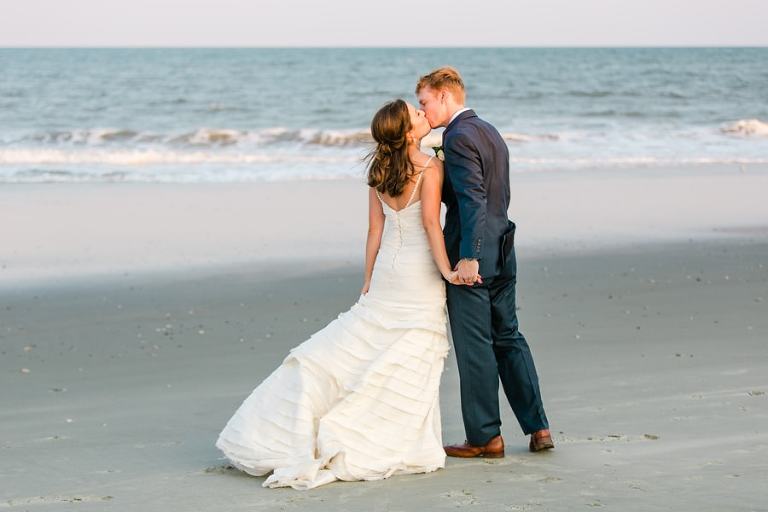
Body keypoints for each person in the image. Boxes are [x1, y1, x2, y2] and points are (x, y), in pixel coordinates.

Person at [215, 99, 465, 490]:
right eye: (415, 114)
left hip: (386, 272)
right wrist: (448, 269)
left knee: (365, 339)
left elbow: (374, 231)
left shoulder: (378, 169)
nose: (422, 114)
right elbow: (433, 225)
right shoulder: (431, 168)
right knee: (412, 349)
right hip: (418, 274)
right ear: (407, 132)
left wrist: (367, 279)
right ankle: (383, 435)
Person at [416, 66, 553, 457]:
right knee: (509, 337)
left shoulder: (457, 137)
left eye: (425, 101)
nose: (423, 110)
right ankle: (538, 428)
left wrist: (469, 256)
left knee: (475, 345)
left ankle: (484, 437)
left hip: (474, 256)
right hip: (504, 247)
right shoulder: (489, 131)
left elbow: (474, 199)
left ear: (444, 95)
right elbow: (492, 194)